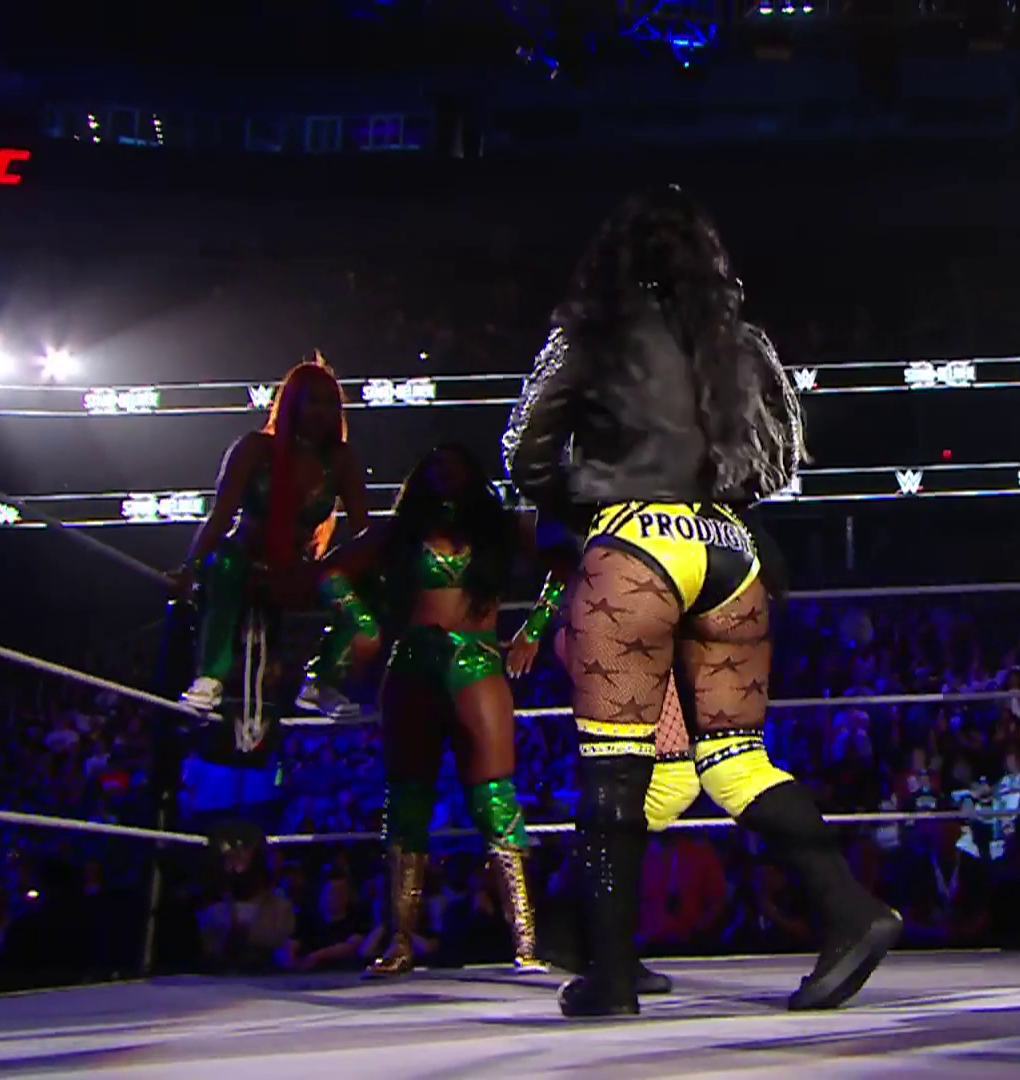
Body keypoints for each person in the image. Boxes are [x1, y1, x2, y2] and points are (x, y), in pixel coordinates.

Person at [503, 184, 900, 1017]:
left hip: (634, 542)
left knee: (615, 770)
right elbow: (782, 459)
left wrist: (589, 504)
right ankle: (850, 912)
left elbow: (525, 451)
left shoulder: (591, 333)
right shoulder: (740, 341)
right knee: (735, 760)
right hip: (728, 548)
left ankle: (610, 976)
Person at [315, 444, 549, 978]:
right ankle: (399, 942)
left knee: (494, 798)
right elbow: (330, 572)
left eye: (456, 465)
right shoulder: (399, 532)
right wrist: (361, 623)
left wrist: (535, 628)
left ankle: (527, 943)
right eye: (437, 466)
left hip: (476, 662)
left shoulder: (501, 528)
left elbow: (568, 558)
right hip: (413, 663)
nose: (446, 475)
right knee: (406, 801)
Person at [172, 356, 371, 718]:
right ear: (293, 403)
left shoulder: (341, 460)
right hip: (244, 557)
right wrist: (190, 566)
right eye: (313, 401)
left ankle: (322, 681)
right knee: (226, 564)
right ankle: (210, 677)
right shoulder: (254, 448)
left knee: (358, 601)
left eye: (329, 403)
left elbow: (363, 534)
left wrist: (371, 578)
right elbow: (221, 515)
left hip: (298, 569)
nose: (321, 412)